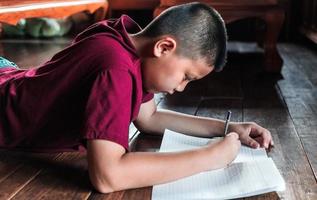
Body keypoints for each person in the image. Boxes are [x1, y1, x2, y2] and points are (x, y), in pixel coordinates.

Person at [0, 2, 273, 193]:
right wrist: (210, 158)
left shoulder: (122, 39)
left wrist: (229, 128)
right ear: (164, 46)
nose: (181, 88)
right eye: (186, 76)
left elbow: (149, 117)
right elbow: (107, 177)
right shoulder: (116, 69)